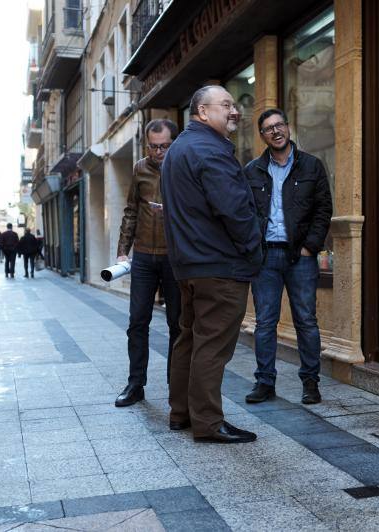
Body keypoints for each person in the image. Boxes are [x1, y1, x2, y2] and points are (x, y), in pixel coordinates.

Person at [160, 85, 262, 444]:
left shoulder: (179, 150)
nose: (233, 111)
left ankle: (181, 413)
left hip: (189, 266)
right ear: (203, 112)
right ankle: (207, 422)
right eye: (226, 105)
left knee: (189, 339)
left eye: (233, 105)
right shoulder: (210, 151)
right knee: (212, 345)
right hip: (218, 266)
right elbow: (234, 210)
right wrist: (254, 251)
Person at [243, 108, 332, 405]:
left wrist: (310, 246)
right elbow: (244, 212)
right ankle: (265, 382)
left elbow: (323, 210)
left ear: (288, 127)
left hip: (300, 256)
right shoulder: (252, 170)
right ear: (262, 135)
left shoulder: (311, 166)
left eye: (279, 125)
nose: (275, 131)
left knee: (306, 320)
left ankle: (310, 382)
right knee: (265, 322)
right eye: (268, 128)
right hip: (265, 257)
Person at [114, 119, 182, 408]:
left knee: (177, 324)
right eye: (153, 146)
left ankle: (175, 385)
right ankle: (135, 384)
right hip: (142, 256)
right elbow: (131, 211)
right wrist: (122, 251)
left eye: (165, 146)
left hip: (175, 257)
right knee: (137, 322)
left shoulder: (183, 167)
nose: (159, 152)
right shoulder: (139, 168)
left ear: (173, 143)